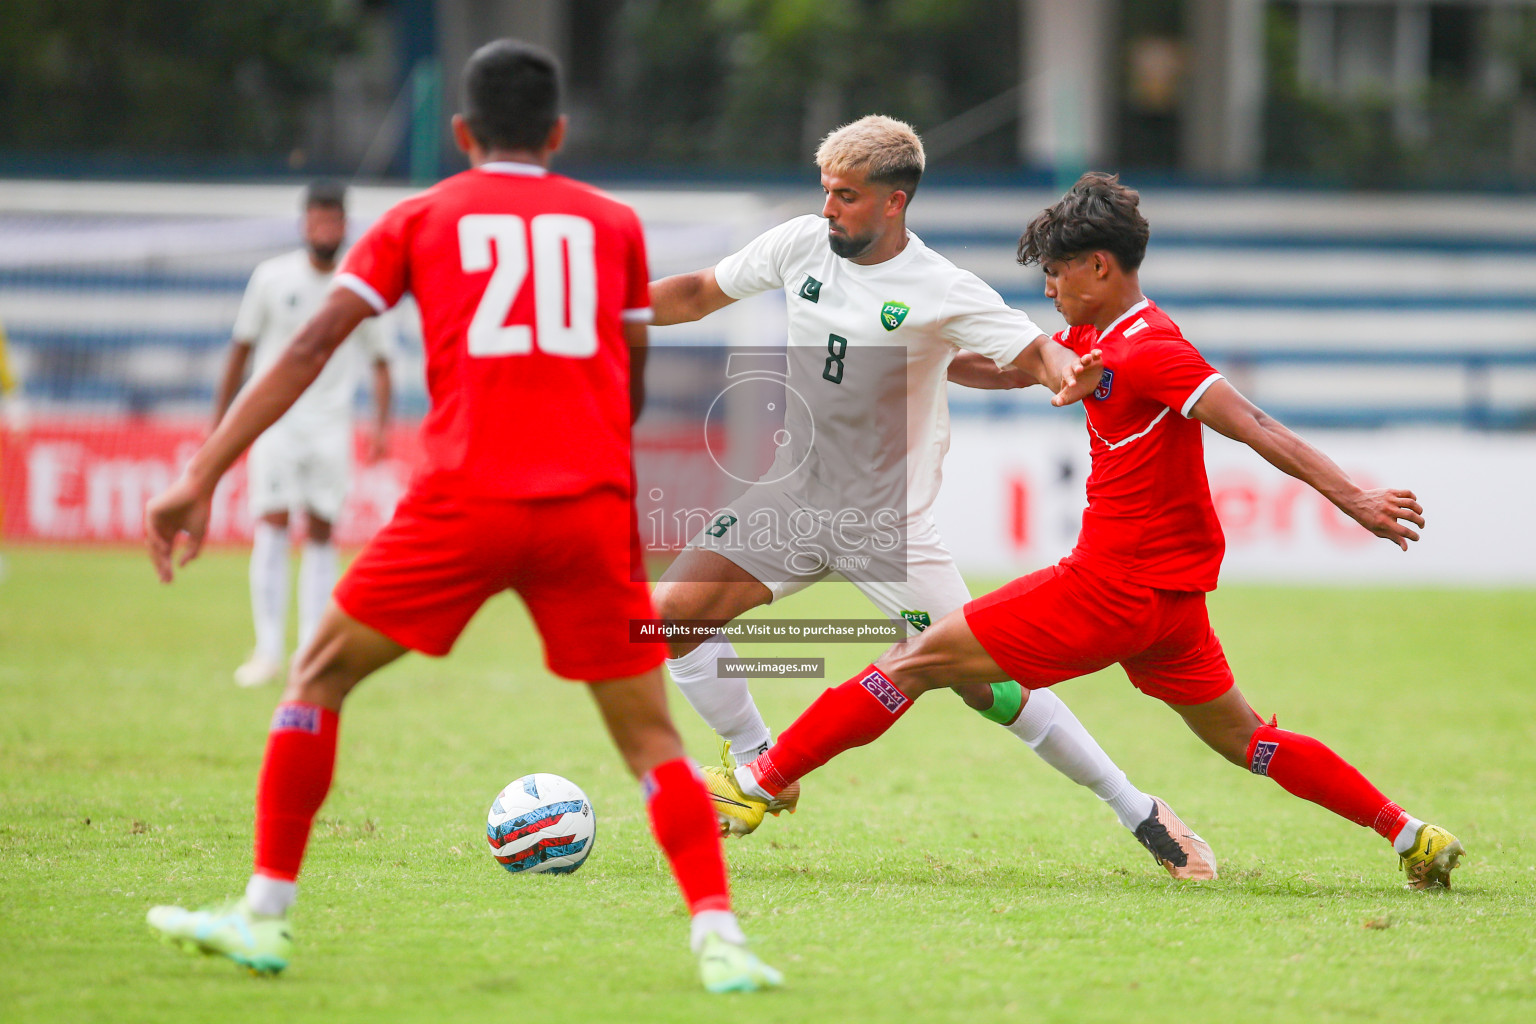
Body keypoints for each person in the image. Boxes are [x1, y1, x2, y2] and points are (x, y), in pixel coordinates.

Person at [142, 39, 781, 993]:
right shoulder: (612, 224)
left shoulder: (420, 217)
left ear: (460, 132)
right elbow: (634, 373)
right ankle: (720, 939)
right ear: (558, 132)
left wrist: (201, 473)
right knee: (650, 735)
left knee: (316, 676)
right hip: (583, 505)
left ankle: (265, 915)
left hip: (463, 499)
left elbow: (315, 344)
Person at [705, 172, 1464, 893]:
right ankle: (1410, 835)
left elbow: (1254, 423)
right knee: (1249, 741)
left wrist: (1354, 497)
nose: (1049, 286)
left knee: (913, 661)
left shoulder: (1151, 348)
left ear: (1100, 266)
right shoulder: (1107, 340)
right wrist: (917, 351)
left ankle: (756, 784)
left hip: (1109, 588)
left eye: (1059, 271)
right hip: (1171, 610)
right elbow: (1001, 368)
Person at [651, 116, 1214, 879]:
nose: (829, 210)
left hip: (888, 525)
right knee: (670, 614)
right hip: (790, 494)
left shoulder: (942, 288)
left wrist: (1063, 372)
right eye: (826, 192)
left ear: (894, 201)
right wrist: (604, 313)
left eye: (846, 196)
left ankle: (1138, 809)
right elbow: (693, 292)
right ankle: (755, 768)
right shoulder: (799, 244)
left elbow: (1034, 349)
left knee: (989, 687)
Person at [216, 181, 395, 689]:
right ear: (303, 224)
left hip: (330, 428)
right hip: (275, 424)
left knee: (321, 530)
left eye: (333, 220)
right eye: (316, 220)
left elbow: (383, 363)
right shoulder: (271, 279)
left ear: (344, 224)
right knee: (271, 524)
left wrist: (381, 427)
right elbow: (240, 351)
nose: (324, 229)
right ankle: (267, 649)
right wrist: (223, 423)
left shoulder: (360, 286)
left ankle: (309, 648)